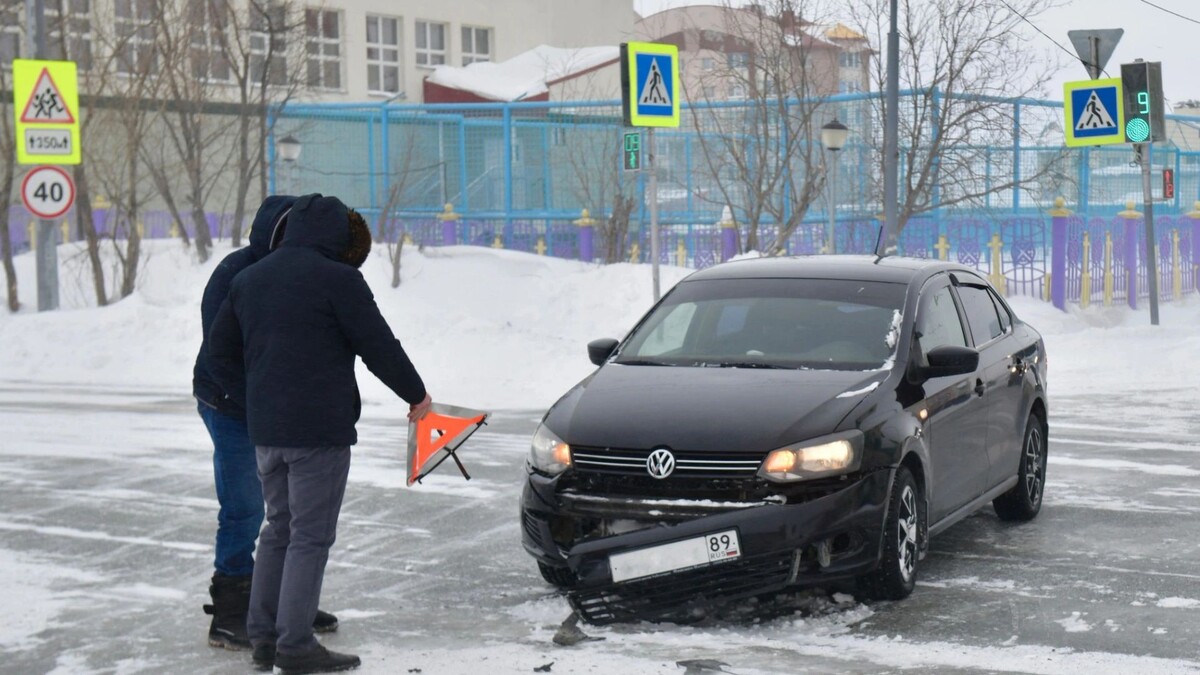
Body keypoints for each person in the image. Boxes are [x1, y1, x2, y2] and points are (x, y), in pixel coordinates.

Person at [208, 194, 431, 674]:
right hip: (318, 433)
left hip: (265, 432)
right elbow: (378, 346)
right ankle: (295, 645)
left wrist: (258, 400)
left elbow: (217, 355)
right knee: (309, 536)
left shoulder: (249, 279)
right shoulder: (340, 280)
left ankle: (264, 638)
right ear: (336, 236)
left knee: (278, 530)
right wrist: (416, 394)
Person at [192, 195, 338, 651]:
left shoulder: (304, 271)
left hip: (279, 412)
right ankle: (232, 610)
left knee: (294, 511)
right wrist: (254, 401)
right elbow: (220, 351)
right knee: (246, 509)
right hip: (231, 406)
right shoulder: (238, 273)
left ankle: (281, 603)